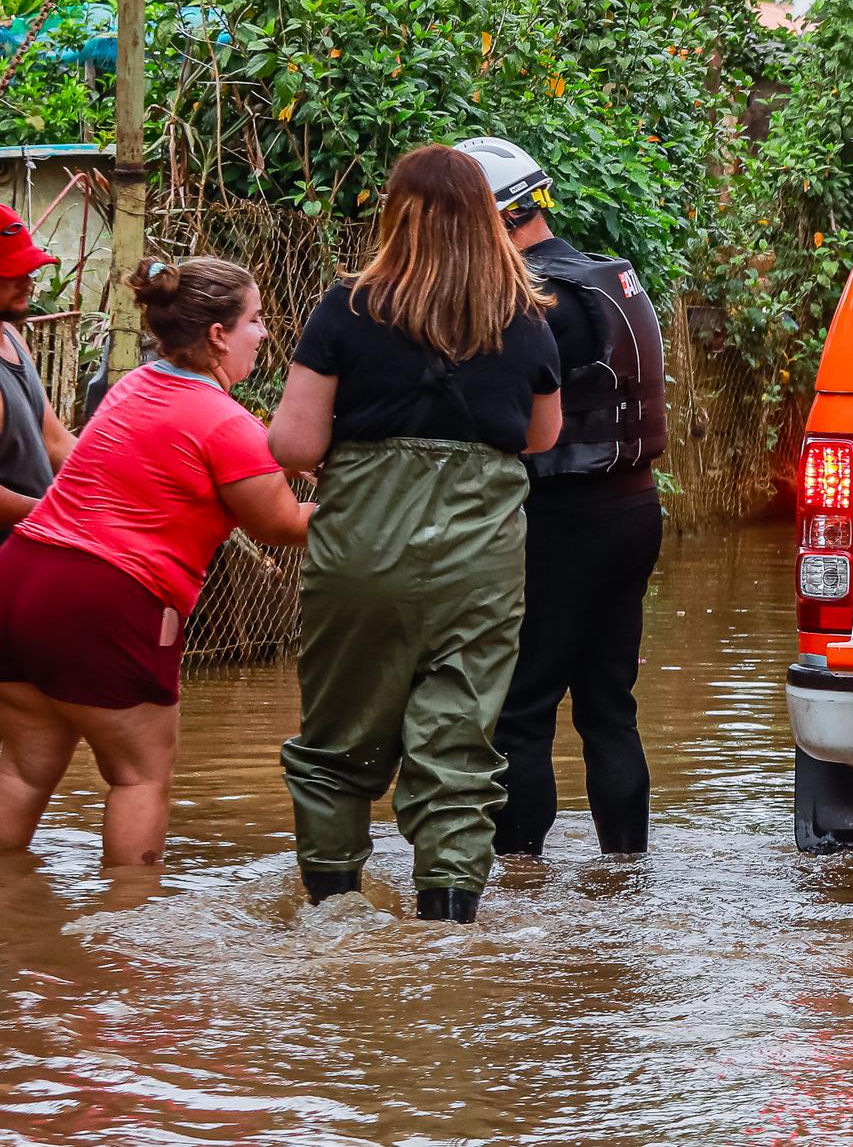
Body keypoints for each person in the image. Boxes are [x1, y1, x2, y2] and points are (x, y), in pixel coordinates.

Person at [269, 146, 562, 923]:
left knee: (338, 744)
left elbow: (294, 447)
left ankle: (334, 916)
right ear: (486, 217)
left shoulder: (347, 307)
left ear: (395, 214)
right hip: (480, 560)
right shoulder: (525, 316)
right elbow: (543, 436)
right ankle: (449, 928)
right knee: (459, 747)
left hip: (362, 549)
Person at [0, 259, 311, 867]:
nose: (264, 333)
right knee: (138, 780)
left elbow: (217, 459)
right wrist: (376, 505)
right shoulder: (223, 419)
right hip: (109, 598)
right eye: (255, 320)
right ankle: (133, 947)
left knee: (19, 772)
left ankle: (16, 926)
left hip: (20, 576)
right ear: (218, 335)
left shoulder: (133, 388)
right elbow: (280, 523)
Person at [453, 137, 668, 861]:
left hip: (562, 519)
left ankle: (521, 886)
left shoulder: (532, 300)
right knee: (610, 709)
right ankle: (627, 874)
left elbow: (496, 419)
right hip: (634, 510)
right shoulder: (606, 275)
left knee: (523, 710)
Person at [0, 203, 74, 539]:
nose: (27, 282)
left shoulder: (11, 336)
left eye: (28, 270)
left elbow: (53, 439)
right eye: (10, 274)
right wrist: (58, 515)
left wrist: (116, 478)